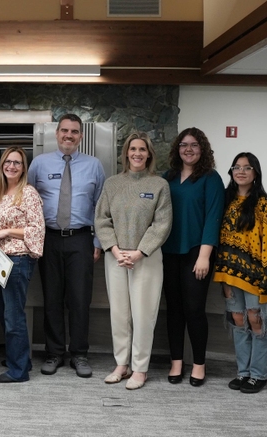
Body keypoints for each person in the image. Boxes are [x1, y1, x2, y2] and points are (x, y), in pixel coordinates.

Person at [27, 114, 105, 378]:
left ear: (81, 136)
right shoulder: (39, 164)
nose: (68, 135)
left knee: (80, 299)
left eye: (74, 131)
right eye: (64, 130)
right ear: (56, 133)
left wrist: (97, 241)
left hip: (81, 239)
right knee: (52, 298)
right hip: (48, 239)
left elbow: (100, 207)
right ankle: (54, 353)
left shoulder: (94, 166)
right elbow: (29, 202)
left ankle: (80, 354)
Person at [95, 132, 172, 390]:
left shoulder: (159, 185)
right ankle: (121, 364)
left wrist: (139, 252)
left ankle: (140, 368)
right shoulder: (112, 184)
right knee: (119, 314)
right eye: (132, 149)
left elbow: (162, 225)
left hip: (146, 258)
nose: (137, 153)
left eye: (142, 149)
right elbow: (102, 220)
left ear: (149, 154)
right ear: (126, 153)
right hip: (116, 257)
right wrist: (116, 251)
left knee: (143, 315)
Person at [213, 153, 267, 394]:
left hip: (256, 277)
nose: (241, 171)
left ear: (256, 173)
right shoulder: (226, 201)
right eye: (237, 167)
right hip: (229, 275)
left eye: (247, 167)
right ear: (232, 172)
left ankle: (259, 374)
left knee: (257, 322)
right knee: (238, 323)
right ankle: (243, 372)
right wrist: (221, 276)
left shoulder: (264, 204)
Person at [162, 128, 224, 387]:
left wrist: (205, 256)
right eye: (184, 145)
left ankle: (199, 364)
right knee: (174, 310)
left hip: (197, 254)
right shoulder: (168, 177)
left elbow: (213, 218)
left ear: (203, 149)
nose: (189, 149)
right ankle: (177, 361)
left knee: (195, 310)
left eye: (194, 145)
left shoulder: (211, 178)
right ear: (178, 149)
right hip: (168, 252)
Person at [0, 147, 45, 383]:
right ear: (2, 165)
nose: (11, 166)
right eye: (8, 162)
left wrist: (8, 230)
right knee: (4, 314)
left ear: (24, 168)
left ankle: (18, 371)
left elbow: (37, 229)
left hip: (17, 260)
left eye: (17, 163)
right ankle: (20, 359)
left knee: (13, 316)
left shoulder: (28, 193)